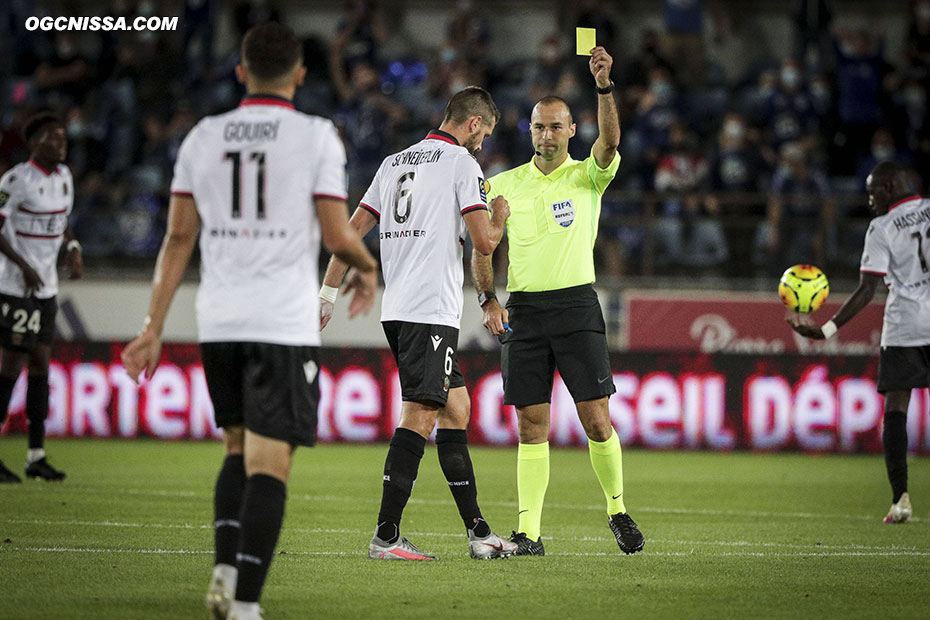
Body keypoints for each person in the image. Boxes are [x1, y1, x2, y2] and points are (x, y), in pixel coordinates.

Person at [121, 23, 377, 620]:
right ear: (300, 75)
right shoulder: (317, 136)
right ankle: (244, 606)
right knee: (271, 463)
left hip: (220, 320)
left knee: (235, 448)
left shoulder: (201, 137)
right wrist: (365, 267)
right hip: (281, 321)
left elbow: (177, 239)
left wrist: (152, 326)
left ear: (240, 72)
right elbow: (338, 233)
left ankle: (224, 569)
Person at [319, 86, 516, 561]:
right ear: (472, 124)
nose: (482, 145)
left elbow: (353, 231)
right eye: (483, 134)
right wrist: (500, 216)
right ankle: (386, 536)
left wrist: (327, 292)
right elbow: (485, 243)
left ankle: (479, 533)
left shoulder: (393, 163)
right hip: (430, 312)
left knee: (456, 409)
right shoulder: (462, 165)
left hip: (399, 308)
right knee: (420, 415)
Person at [471, 46, 645, 555]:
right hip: (523, 310)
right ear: (529, 132)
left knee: (596, 420)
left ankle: (617, 509)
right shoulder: (501, 185)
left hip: (575, 307)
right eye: (538, 127)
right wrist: (488, 298)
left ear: (572, 130)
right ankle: (529, 532)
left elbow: (611, 140)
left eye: (555, 126)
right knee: (530, 425)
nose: (546, 135)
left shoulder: (588, 175)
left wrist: (604, 85)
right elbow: (482, 246)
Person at [788, 161, 930, 525]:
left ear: (887, 189)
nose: (868, 201)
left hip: (905, 328)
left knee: (896, 408)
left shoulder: (881, 227)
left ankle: (900, 500)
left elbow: (869, 288)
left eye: (871, 193)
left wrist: (827, 330)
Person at [0, 112, 83, 483]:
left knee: (40, 367)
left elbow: (61, 220)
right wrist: (23, 265)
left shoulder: (64, 178)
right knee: (10, 367)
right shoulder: (16, 180)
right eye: (53, 138)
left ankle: (36, 456)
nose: (61, 143)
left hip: (47, 289)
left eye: (63, 138)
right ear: (34, 143)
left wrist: (73, 246)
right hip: (16, 288)